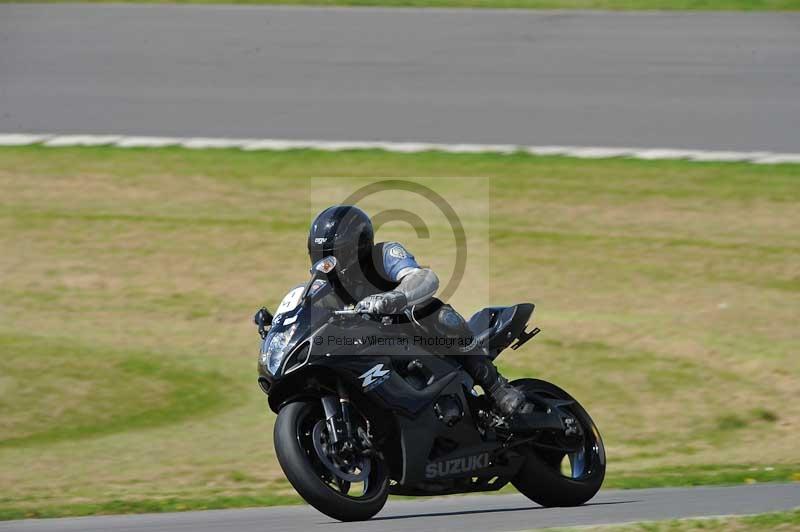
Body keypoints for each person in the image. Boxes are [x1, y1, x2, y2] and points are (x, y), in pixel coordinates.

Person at [307, 204, 532, 427]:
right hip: (368, 348)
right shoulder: (325, 287)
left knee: (434, 312)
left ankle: (496, 387)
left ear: (357, 247)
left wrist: (395, 297)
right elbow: (307, 312)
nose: (327, 264)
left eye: (334, 254)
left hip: (412, 335)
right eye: (321, 256)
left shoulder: (383, 255)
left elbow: (425, 278)